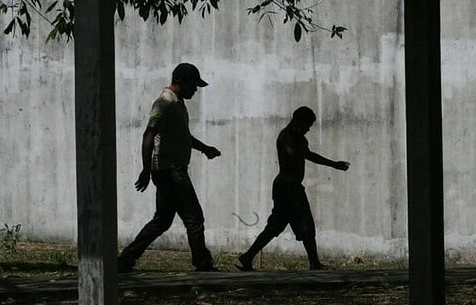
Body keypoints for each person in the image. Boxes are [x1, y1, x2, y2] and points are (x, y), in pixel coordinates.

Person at [118, 62, 222, 273]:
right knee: (194, 218)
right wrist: (146, 170)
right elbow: (148, 135)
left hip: (170, 170)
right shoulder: (164, 103)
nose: (195, 90)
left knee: (162, 221)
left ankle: (125, 259)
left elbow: (182, 136)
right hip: (170, 171)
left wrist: (205, 148)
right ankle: (202, 263)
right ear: (180, 82)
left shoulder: (178, 103)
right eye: (193, 85)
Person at [236, 106, 348, 271]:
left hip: (291, 187)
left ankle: (247, 257)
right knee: (299, 225)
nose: (308, 129)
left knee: (278, 226)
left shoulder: (299, 138)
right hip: (287, 188)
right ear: (298, 121)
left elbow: (308, 155)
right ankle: (314, 263)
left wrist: (333, 164)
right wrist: (329, 162)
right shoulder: (286, 137)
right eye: (307, 125)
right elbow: (295, 154)